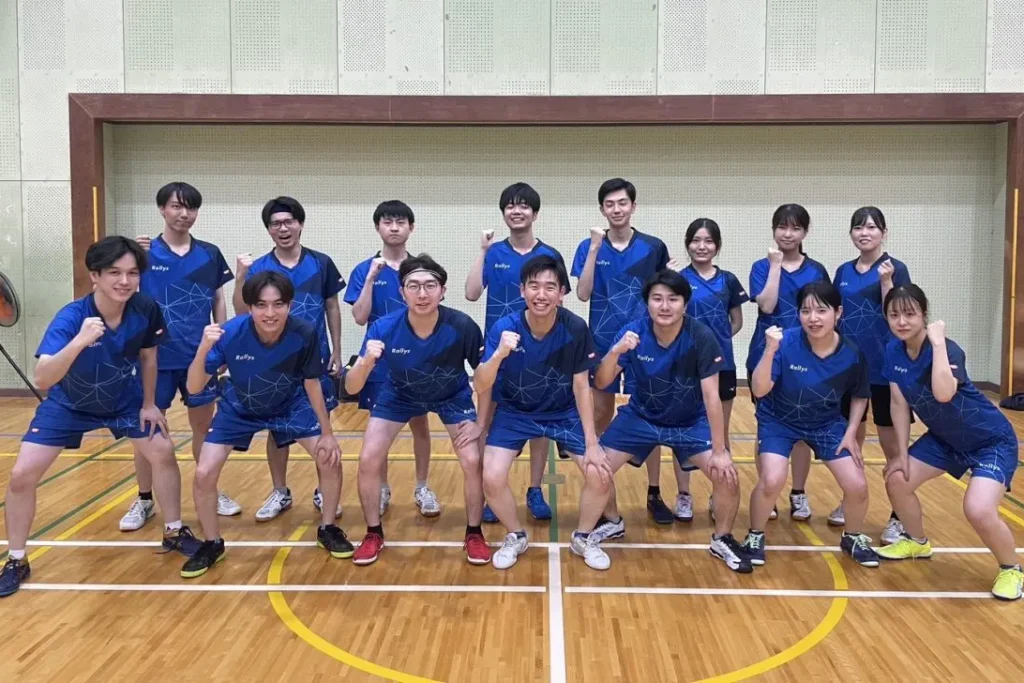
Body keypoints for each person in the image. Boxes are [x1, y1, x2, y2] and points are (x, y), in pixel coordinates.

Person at [1, 237, 199, 597]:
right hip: (69, 405)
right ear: (94, 275)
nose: (125, 281)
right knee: (21, 475)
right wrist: (79, 341)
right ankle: (16, 558)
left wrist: (150, 403)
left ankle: (173, 530)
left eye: (132, 273)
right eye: (114, 273)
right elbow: (43, 378)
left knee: (163, 451)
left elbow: (149, 356)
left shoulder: (145, 308)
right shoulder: (72, 317)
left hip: (124, 400)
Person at [576, 269, 751, 572]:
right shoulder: (633, 332)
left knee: (727, 475)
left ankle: (722, 538)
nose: (665, 306)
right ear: (647, 303)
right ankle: (608, 523)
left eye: (673, 299)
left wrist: (720, 449)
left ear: (685, 303)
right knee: (596, 467)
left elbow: (712, 397)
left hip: (689, 421)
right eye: (657, 299)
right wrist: (616, 351)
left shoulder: (701, 336)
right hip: (641, 417)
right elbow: (601, 382)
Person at [181, 271, 348, 577]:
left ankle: (328, 529)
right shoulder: (230, 333)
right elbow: (193, 387)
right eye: (261, 305)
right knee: (204, 472)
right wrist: (204, 348)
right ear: (250, 307)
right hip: (239, 407)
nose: (270, 313)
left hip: (290, 403)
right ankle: (212, 543)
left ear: (289, 305)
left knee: (329, 459)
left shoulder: (304, 332)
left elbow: (312, 383)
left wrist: (327, 433)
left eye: (278, 304)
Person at [876, 285, 1022, 600]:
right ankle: (916, 542)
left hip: (990, 441)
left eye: (910, 314)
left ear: (924, 315)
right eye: (894, 315)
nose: (902, 321)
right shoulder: (892, 351)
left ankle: (1011, 569)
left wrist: (939, 343)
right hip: (944, 440)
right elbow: (898, 403)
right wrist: (901, 454)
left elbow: (944, 393)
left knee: (978, 509)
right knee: (897, 479)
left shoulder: (948, 349)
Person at [345, 255, 490, 567]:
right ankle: (373, 533)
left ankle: (474, 533)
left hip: (451, 395)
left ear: (443, 291)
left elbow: (485, 378)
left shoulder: (463, 326)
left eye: (430, 286)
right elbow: (352, 386)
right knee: (368, 458)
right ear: (402, 292)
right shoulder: (384, 327)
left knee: (472, 460)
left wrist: (481, 422)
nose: (422, 294)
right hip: (399, 394)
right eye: (413, 286)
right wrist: (366, 362)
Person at [120, 182, 240, 532]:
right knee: (147, 429)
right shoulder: (143, 253)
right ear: (162, 209)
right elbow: (123, 291)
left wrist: (222, 342)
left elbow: (218, 299)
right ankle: (144, 499)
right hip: (153, 358)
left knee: (204, 427)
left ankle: (208, 488)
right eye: (176, 206)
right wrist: (131, 258)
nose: (184, 214)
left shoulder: (209, 253)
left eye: (191, 208)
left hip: (197, 357)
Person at [474, 255, 601, 570]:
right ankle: (516, 535)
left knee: (600, 473)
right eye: (534, 286)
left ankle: (583, 537)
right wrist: (499, 354)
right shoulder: (504, 327)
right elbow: (481, 383)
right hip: (514, 413)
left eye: (549, 287)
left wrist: (592, 440)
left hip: (562, 413)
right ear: (522, 291)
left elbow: (582, 386)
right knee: (491, 476)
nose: (541, 294)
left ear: (562, 294)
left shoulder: (575, 328)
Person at [743, 281, 879, 568]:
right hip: (778, 421)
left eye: (821, 310)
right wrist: (769, 351)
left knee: (857, 484)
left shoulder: (851, 353)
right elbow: (759, 389)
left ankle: (853, 537)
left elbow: (860, 395)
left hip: (826, 423)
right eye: (805, 311)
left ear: (838, 313)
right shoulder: (785, 343)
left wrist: (851, 432)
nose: (813, 318)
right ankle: (755, 536)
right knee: (772, 480)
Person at [234, 197, 344, 523]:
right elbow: (241, 311)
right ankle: (280, 491)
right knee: (276, 428)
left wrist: (337, 349)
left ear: (300, 224)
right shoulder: (259, 268)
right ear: (269, 229)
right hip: (274, 363)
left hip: (315, 359)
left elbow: (332, 307)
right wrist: (240, 278)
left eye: (288, 222)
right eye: (275, 224)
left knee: (320, 424)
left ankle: (324, 490)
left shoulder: (321, 263)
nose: (283, 228)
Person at [572, 178, 673, 526]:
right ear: (602, 209)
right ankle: (601, 490)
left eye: (622, 203)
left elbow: (665, 293)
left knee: (651, 415)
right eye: (609, 204)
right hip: (602, 342)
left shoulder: (653, 247)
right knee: (600, 413)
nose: (616, 209)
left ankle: (654, 492)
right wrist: (594, 249)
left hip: (648, 341)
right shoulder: (589, 246)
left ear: (633, 206)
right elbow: (582, 294)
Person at [465, 182, 567, 523]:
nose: (517, 211)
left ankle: (535, 489)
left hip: (540, 349)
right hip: (499, 349)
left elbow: (561, 300)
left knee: (539, 422)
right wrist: (482, 251)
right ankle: (491, 492)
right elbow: (471, 293)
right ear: (504, 213)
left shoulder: (550, 255)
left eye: (524, 206)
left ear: (535, 214)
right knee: (487, 419)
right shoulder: (494, 252)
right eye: (510, 205)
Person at [345, 200, 438, 518]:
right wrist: (371, 279)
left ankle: (422, 486)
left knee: (420, 425)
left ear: (411, 227)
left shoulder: (420, 269)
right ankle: (382, 487)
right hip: (378, 363)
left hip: (417, 361)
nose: (394, 227)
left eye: (401, 222)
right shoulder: (364, 269)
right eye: (388, 222)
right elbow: (359, 317)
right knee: (379, 428)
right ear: (378, 227)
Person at [831, 206, 912, 541]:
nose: (864, 233)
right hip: (850, 367)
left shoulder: (896, 268)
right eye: (858, 228)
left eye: (871, 227)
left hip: (885, 368)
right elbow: (834, 314)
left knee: (893, 445)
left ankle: (900, 515)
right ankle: (851, 499)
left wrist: (887, 282)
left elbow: (900, 314)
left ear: (883, 233)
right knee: (850, 439)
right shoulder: (843, 271)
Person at [747, 204, 830, 522]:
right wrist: (775, 266)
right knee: (766, 425)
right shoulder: (761, 266)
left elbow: (824, 316)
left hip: (806, 359)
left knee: (801, 427)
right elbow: (767, 305)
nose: (788, 233)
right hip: (765, 355)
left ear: (805, 232)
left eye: (795, 228)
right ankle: (767, 491)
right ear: (774, 230)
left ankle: (798, 491)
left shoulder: (817, 270)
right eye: (782, 227)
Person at [668, 218, 747, 522]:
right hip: (684, 367)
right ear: (687, 244)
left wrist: (715, 344)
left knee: (720, 433)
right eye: (696, 240)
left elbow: (736, 321)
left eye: (708, 241)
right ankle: (684, 495)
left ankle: (718, 495)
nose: (702, 246)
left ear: (717, 246)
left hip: (721, 366)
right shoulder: (679, 278)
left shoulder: (728, 280)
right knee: (681, 432)